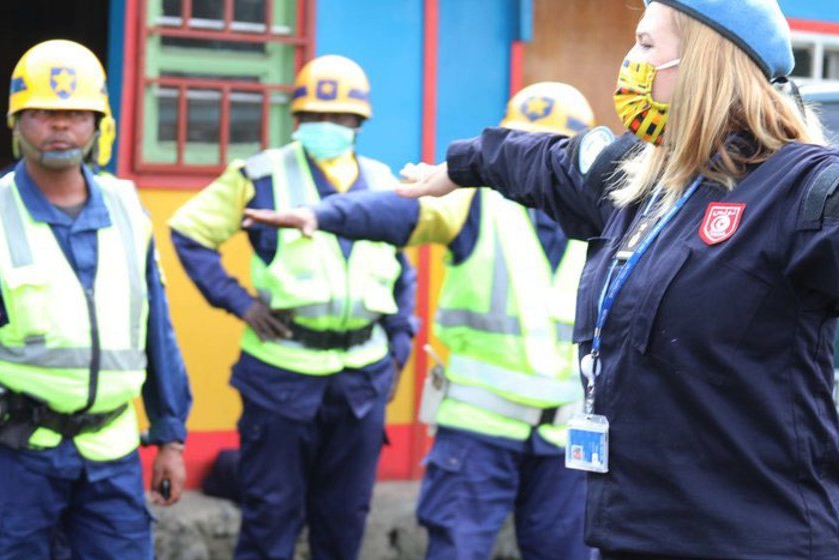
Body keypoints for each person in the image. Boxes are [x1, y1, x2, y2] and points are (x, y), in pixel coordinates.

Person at [395, 1, 839, 557]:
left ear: (705, 60)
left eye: (647, 42)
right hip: (633, 534)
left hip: (753, 539)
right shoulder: (638, 181)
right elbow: (540, 159)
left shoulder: (799, 187)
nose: (633, 60)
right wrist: (461, 166)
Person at [243, 81, 594, 559]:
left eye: (541, 151)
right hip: (479, 431)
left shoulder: (605, 213)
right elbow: (400, 209)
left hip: (567, 440)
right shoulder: (475, 199)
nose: (524, 161)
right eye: (518, 147)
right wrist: (323, 215)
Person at [0, 39, 191, 559]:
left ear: (97, 124)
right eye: (42, 113)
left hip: (112, 453)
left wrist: (171, 437)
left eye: (76, 114)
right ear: (15, 124)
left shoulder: (131, 212)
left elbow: (157, 330)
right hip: (14, 459)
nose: (60, 127)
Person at [168, 54, 417, 559]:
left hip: (362, 379)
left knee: (345, 522)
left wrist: (399, 343)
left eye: (340, 117)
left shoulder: (383, 179)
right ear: (296, 120)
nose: (327, 126)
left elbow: (399, 268)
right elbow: (189, 231)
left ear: (358, 124)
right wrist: (239, 302)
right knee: (270, 519)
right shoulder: (259, 174)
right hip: (280, 374)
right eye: (315, 117)